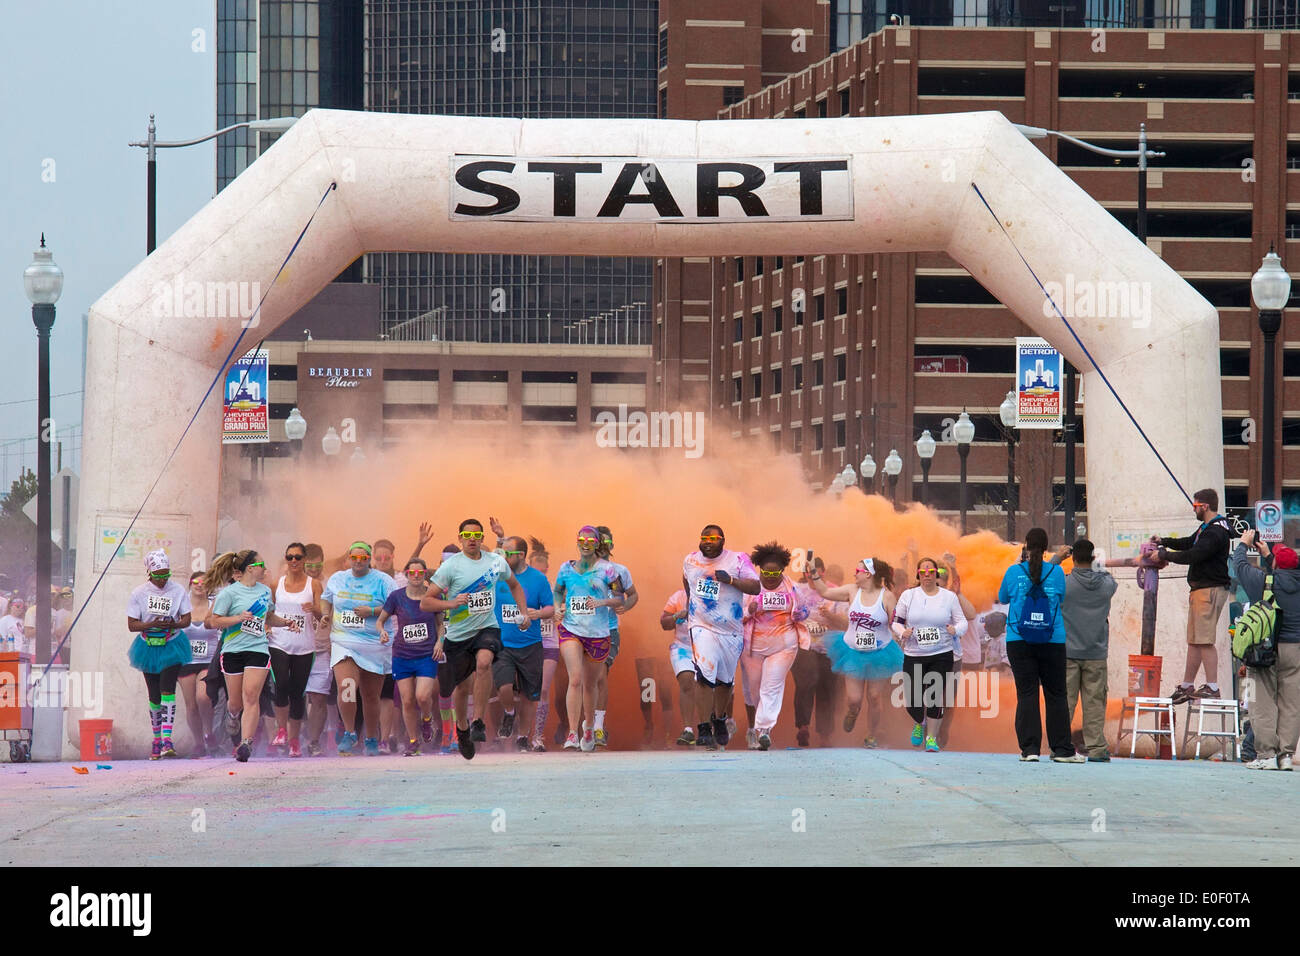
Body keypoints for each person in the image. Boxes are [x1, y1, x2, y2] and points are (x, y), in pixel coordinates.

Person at [421, 519, 532, 760]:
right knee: (462, 688)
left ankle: (478, 722)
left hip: (487, 628)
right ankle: (462, 729)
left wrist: (523, 611)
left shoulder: (495, 562)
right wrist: (452, 602)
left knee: (484, 663)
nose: (472, 538)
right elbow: (426, 601)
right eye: (467, 534)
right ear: (460, 537)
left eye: (476, 535)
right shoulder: (450, 567)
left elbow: (514, 585)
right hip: (459, 635)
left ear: (482, 538)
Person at [204, 549, 300, 762]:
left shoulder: (265, 591)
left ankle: (245, 743)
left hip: (258, 648)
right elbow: (211, 621)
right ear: (250, 568)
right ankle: (232, 715)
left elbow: (269, 616)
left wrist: (285, 623)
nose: (264, 568)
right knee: (236, 702)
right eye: (261, 565)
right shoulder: (229, 593)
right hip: (232, 650)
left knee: (251, 697)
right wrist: (238, 618)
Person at [997, 529, 1083, 763]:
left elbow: (1002, 597)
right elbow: (1061, 598)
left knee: (1027, 694)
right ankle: (1062, 750)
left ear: (1026, 545)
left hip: (1018, 639)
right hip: (1052, 640)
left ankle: (1030, 749)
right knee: (1056, 695)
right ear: (1047, 548)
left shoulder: (1014, 572)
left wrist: (1018, 565)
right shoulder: (1057, 572)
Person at [682, 524, 761, 750]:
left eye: (714, 538)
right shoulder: (690, 560)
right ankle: (704, 727)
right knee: (705, 674)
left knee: (725, 681)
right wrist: (692, 605)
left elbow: (755, 587)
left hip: (731, 630)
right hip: (701, 626)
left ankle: (719, 719)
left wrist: (731, 581)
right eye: (705, 537)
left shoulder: (737, 560)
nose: (708, 541)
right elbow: (687, 581)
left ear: (723, 540)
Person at [809, 557, 901, 749]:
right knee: (854, 699)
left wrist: (902, 631)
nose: (854, 573)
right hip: (853, 651)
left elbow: (896, 622)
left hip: (880, 652)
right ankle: (853, 711)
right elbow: (825, 591)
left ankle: (871, 735)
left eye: (857, 571)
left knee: (875, 697)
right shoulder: (852, 590)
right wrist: (813, 573)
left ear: (868, 574)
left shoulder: (887, 596)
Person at [1155, 488, 1235, 704]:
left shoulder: (1215, 533)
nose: (1194, 510)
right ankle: (1188, 684)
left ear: (1205, 506)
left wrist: (1164, 555)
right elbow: (1190, 542)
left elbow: (1194, 554)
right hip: (1202, 590)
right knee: (1194, 640)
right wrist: (1165, 541)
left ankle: (1212, 686)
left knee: (1204, 640)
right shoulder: (1207, 528)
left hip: (1208, 590)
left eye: (1195, 506)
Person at [320, 541, 396, 756]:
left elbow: (395, 605)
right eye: (354, 558)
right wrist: (326, 614)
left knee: (371, 696)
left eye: (363, 558)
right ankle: (350, 732)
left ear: (369, 559)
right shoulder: (338, 578)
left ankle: (371, 737)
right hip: (344, 641)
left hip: (374, 643)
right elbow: (326, 600)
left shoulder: (383, 581)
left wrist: (372, 610)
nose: (358, 562)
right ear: (349, 558)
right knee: (346, 686)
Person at [552, 526, 624, 751]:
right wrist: (556, 608)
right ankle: (573, 733)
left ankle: (590, 727)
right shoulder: (566, 568)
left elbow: (620, 598)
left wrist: (601, 602)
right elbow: (557, 591)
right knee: (575, 678)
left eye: (590, 540)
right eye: (581, 540)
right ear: (577, 542)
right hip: (571, 629)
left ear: (596, 544)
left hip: (598, 633)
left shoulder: (607, 570)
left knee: (590, 684)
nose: (585, 544)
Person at [1233, 530, 1300, 770]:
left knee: (1262, 701)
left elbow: (1239, 566)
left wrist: (1243, 544)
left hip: (1266, 650)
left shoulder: (1263, 582)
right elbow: (1284, 574)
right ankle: (1285, 756)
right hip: (1296, 650)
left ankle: (1266, 755)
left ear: (1275, 564)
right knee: (1292, 703)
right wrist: (1270, 555)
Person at [740, 542, 816, 751]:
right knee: (755, 690)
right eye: (766, 572)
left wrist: (801, 614)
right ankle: (757, 727)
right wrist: (749, 611)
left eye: (776, 572)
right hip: (753, 647)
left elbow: (805, 609)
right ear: (759, 570)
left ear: (782, 570)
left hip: (784, 645)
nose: (771, 576)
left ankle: (764, 731)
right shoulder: (750, 588)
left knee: (771, 686)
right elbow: (735, 616)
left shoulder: (792, 588)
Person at [893, 556, 968, 754]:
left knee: (935, 697)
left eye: (931, 572)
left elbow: (963, 622)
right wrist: (902, 632)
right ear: (918, 574)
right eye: (923, 572)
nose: (927, 575)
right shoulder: (908, 596)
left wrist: (956, 630)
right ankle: (919, 721)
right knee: (913, 701)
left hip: (941, 653)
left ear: (936, 574)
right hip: (914, 653)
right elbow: (896, 621)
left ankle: (932, 738)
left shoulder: (949, 597)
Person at [126, 550, 193, 759]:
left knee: (168, 688)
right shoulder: (139, 593)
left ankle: (167, 738)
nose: (163, 579)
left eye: (166, 574)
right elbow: (132, 624)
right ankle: (156, 740)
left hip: (172, 643)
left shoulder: (178, 590)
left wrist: (174, 623)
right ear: (150, 573)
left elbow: (186, 619)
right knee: (153, 693)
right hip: (147, 645)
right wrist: (151, 624)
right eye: (159, 575)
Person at [492, 536, 555, 752]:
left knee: (530, 696)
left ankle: (522, 737)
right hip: (503, 644)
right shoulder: (497, 577)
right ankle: (509, 712)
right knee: (504, 687)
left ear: (520, 555)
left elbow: (550, 608)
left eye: (507, 553)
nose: (503, 556)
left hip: (531, 644)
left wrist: (537, 613)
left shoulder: (538, 579)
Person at [377, 558, 442, 756]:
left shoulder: (432, 597)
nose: (415, 576)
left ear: (424, 575)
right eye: (411, 573)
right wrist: (382, 631)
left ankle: (427, 719)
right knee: (406, 700)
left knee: (422, 696)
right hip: (402, 655)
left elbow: (441, 624)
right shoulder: (396, 597)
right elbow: (381, 620)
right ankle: (414, 742)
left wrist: (440, 642)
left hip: (426, 655)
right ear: (406, 575)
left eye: (419, 573)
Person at [1061, 539, 1118, 762]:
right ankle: (1096, 748)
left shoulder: (1065, 584)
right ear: (1094, 559)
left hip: (1068, 651)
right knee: (1094, 703)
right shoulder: (1106, 585)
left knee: (1065, 702)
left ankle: (1061, 745)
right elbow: (1109, 579)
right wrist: (1098, 565)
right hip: (1096, 652)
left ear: (1073, 559)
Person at [268, 541, 321, 757]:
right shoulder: (276, 584)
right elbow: (268, 612)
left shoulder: (314, 585)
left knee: (298, 693)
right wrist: (266, 626)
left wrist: (314, 609)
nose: (293, 561)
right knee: (281, 684)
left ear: (305, 559)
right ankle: (281, 730)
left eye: (298, 557)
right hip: (279, 642)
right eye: (289, 557)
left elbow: (322, 615)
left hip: (305, 645)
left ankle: (294, 740)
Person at [591, 526, 637, 748]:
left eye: (606, 542)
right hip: (583, 630)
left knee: (600, 675)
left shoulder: (619, 570)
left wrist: (625, 606)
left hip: (608, 630)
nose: (602, 545)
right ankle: (583, 727)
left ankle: (598, 727)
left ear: (612, 545)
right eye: (598, 541)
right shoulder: (581, 569)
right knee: (582, 679)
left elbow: (633, 594)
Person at [792, 558, 843, 748]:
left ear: (823, 572)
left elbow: (844, 623)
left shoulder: (834, 592)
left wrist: (829, 616)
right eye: (808, 571)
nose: (811, 575)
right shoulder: (797, 590)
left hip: (829, 649)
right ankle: (803, 727)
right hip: (803, 647)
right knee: (807, 682)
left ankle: (825, 734)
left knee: (827, 690)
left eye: (816, 571)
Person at [179, 571, 221, 758]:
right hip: (186, 661)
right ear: (190, 584)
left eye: (204, 582)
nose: (199, 585)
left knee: (203, 697)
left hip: (207, 660)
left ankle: (209, 732)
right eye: (195, 581)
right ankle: (198, 743)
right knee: (191, 705)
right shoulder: (182, 606)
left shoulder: (215, 606)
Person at [301, 543, 334, 756]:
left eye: (317, 564)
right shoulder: (291, 584)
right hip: (296, 649)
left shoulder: (332, 584)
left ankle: (313, 741)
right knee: (295, 696)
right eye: (309, 565)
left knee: (319, 697)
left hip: (323, 648)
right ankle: (294, 737)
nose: (314, 569)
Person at [527, 538, 559, 751]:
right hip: (527, 643)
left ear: (547, 569)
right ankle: (522, 734)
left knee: (543, 690)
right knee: (524, 692)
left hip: (549, 644)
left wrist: (559, 612)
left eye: (542, 572)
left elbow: (561, 610)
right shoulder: (521, 587)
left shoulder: (556, 589)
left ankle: (538, 736)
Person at [660, 587, 699, 745]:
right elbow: (664, 623)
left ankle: (709, 728)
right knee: (686, 680)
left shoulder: (713, 594)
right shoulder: (677, 597)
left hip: (709, 647)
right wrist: (677, 616)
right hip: (683, 648)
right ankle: (688, 730)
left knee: (708, 686)